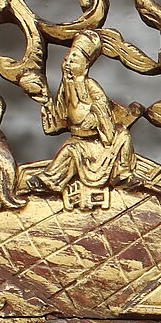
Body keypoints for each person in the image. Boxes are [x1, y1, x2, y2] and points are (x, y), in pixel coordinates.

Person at [35, 31, 138, 209]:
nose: (68, 63)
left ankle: (122, 174)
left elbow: (102, 104)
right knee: (68, 151)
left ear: (85, 66)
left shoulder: (90, 85)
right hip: (79, 140)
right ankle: (49, 181)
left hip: (98, 141)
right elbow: (60, 116)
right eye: (66, 59)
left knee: (123, 136)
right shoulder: (65, 87)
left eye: (74, 60)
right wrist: (47, 106)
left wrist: (95, 116)